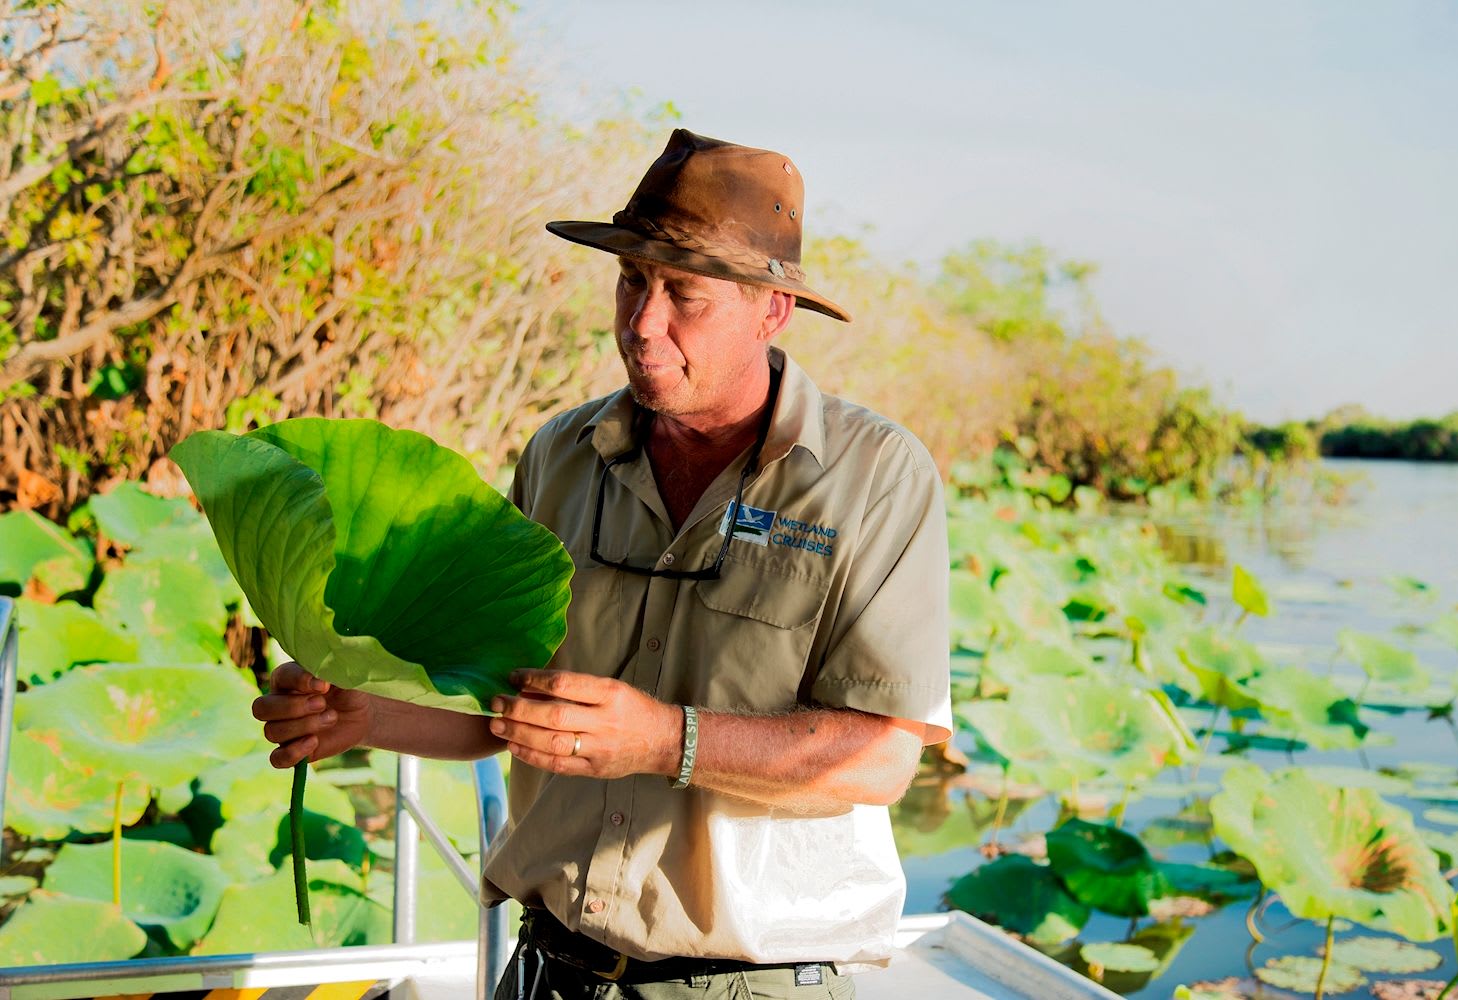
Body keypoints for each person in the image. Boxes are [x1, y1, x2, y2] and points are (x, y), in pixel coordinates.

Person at [252, 129, 952, 1000]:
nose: (642, 323)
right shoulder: (561, 453)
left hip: (751, 985)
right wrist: (364, 715)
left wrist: (663, 740)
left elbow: (881, 759)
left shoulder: (873, 475)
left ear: (772, 310)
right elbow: (503, 705)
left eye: (684, 294)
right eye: (631, 281)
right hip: (552, 969)